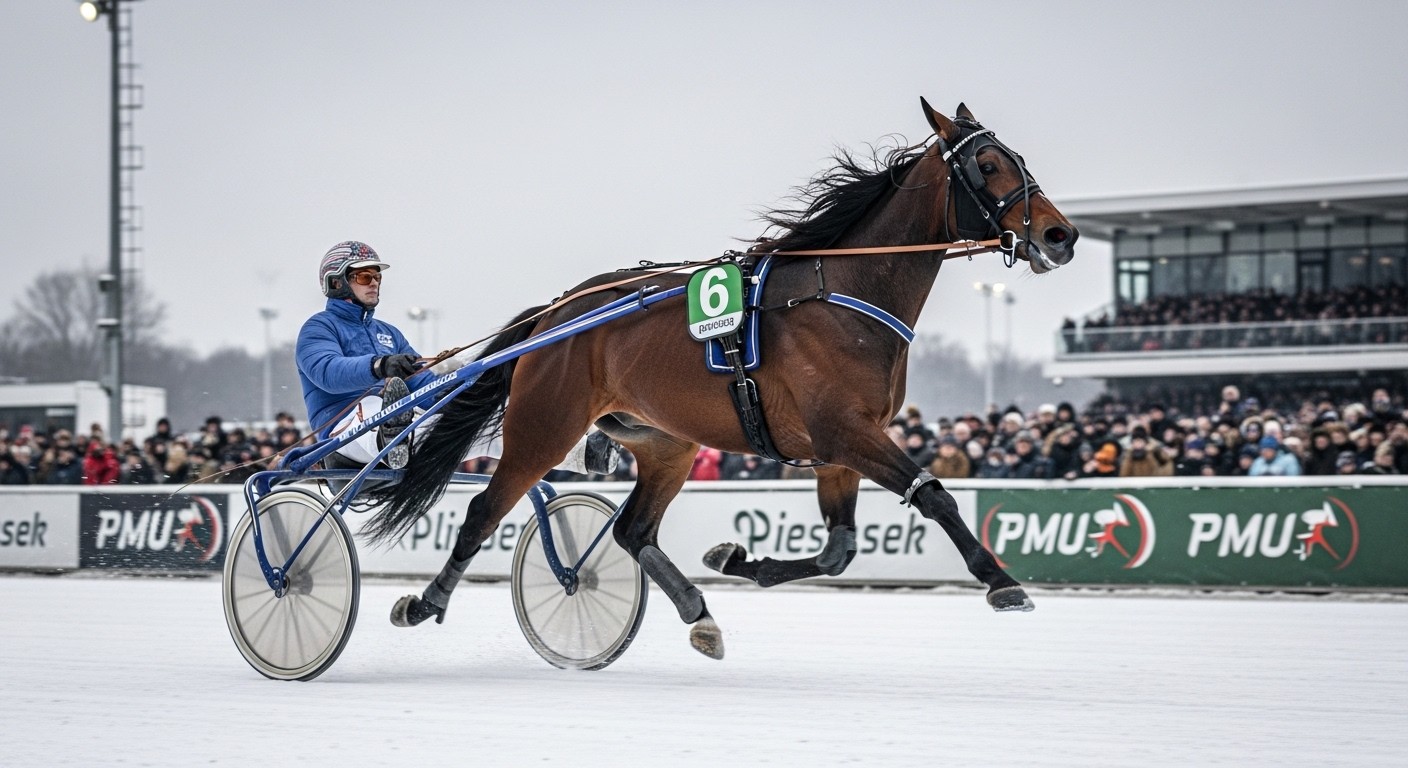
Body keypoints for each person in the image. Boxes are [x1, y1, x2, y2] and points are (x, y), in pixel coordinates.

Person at [296, 241, 617, 474]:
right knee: (374, 408)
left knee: (484, 428)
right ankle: (390, 437)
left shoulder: (388, 334)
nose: (375, 282)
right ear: (337, 283)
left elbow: (425, 384)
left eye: (377, 276)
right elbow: (327, 372)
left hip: (408, 421)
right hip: (342, 429)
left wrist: (472, 390)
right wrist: (380, 366)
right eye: (364, 277)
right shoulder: (318, 328)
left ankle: (583, 454)